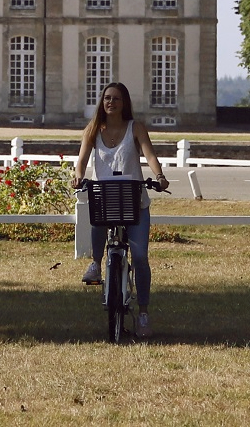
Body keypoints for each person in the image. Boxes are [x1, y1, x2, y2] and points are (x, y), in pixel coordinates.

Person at [71, 82, 169, 338]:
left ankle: (144, 313)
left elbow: (149, 155)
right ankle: (95, 262)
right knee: (97, 219)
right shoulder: (93, 129)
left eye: (115, 98)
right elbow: (81, 160)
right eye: (106, 98)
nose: (110, 102)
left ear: (124, 102)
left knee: (140, 257)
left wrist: (159, 176)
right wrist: (78, 176)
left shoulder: (135, 128)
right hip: (106, 197)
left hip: (133, 200)